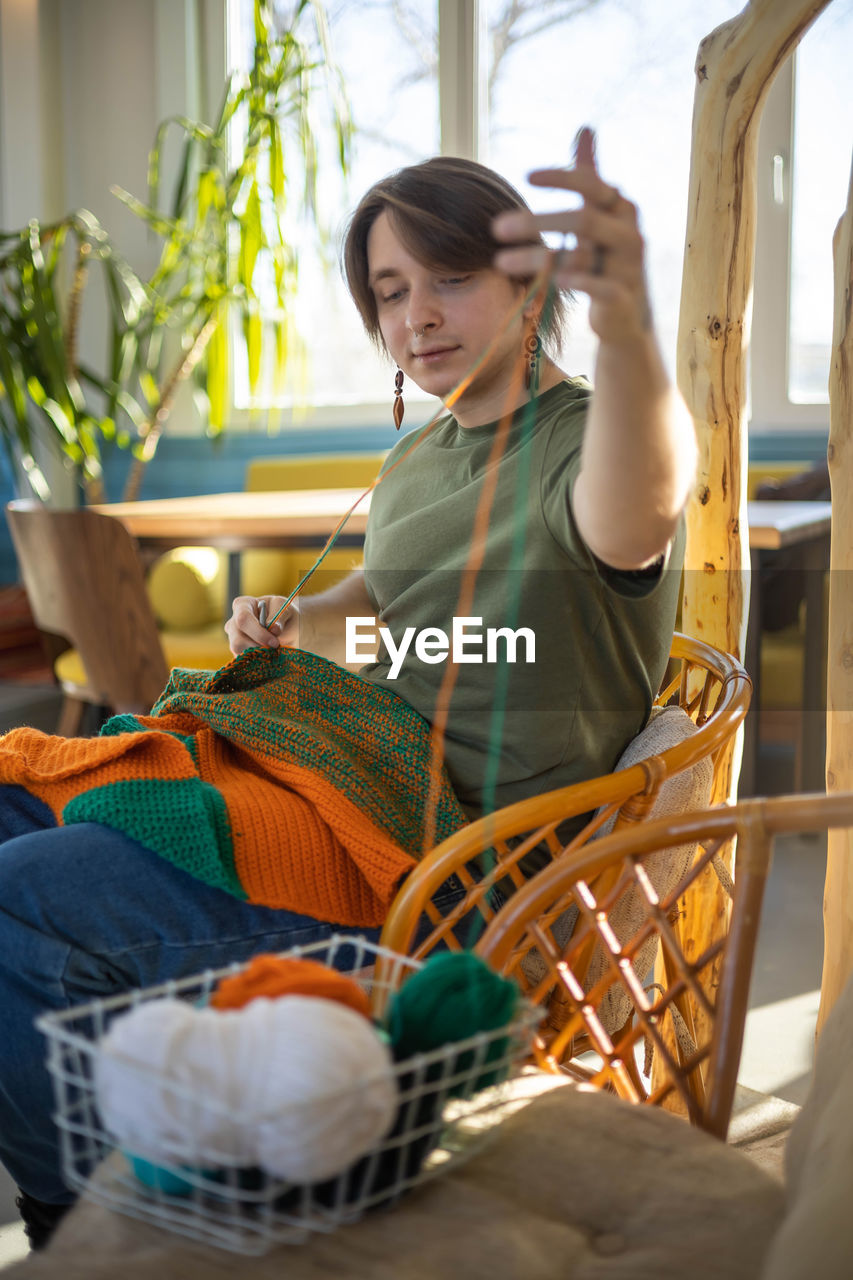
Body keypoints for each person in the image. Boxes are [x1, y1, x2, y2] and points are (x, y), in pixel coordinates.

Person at [0, 128, 696, 1248]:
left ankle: (90, 1236)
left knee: (20, 901)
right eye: (388, 289)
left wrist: (633, 323)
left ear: (531, 286)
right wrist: (300, 620)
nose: (416, 313)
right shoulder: (418, 456)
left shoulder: (582, 446)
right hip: (337, 775)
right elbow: (382, 611)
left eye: (451, 278)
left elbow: (647, 495)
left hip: (436, 865)